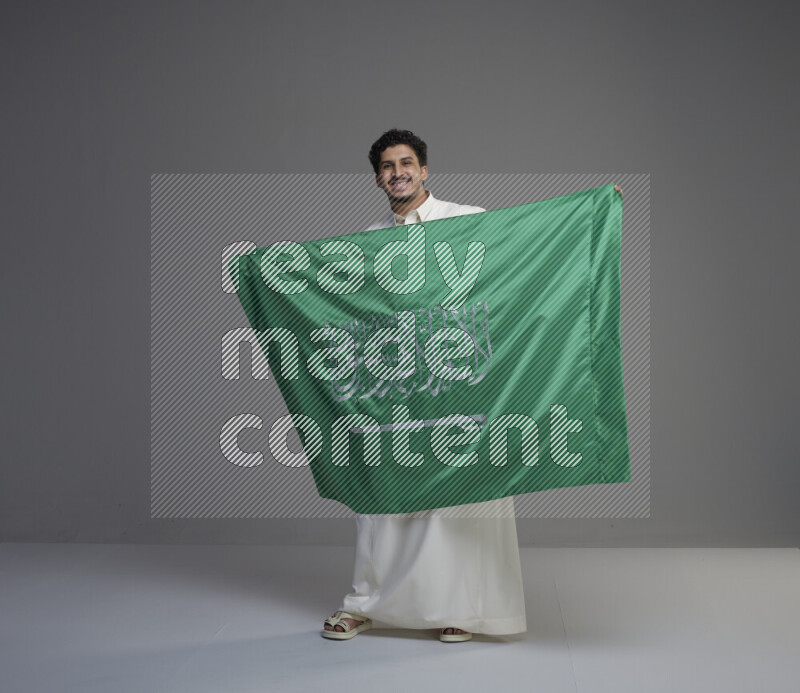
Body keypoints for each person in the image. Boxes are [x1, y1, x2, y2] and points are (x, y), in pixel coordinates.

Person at [322, 129, 528, 643]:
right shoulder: (367, 243)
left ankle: (461, 608)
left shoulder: (465, 220)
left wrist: (587, 215)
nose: (399, 172)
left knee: (459, 501)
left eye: (407, 162)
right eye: (388, 166)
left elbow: (524, 247)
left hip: (459, 381)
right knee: (383, 498)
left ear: (425, 170)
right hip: (397, 385)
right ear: (377, 178)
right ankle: (365, 602)